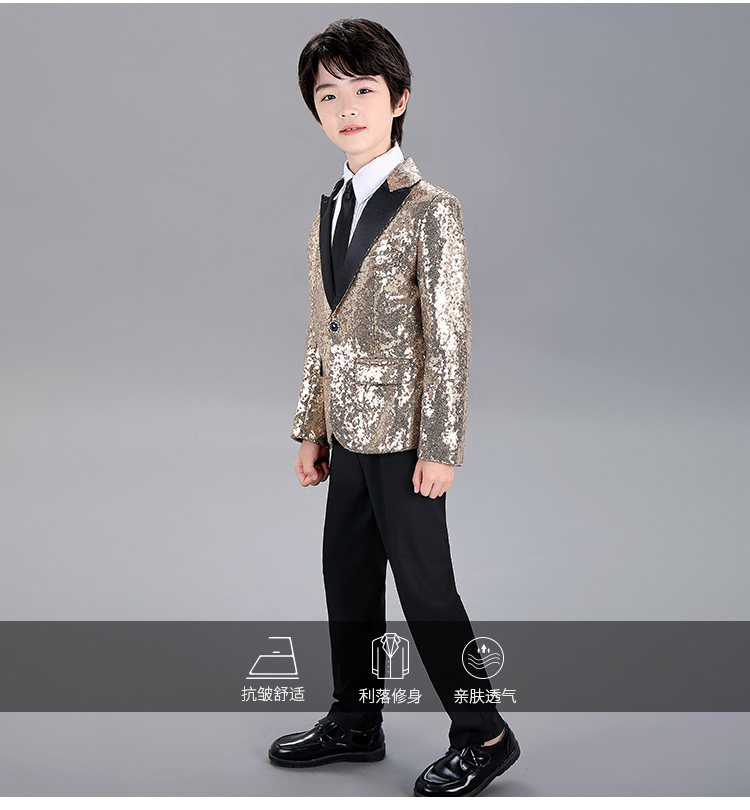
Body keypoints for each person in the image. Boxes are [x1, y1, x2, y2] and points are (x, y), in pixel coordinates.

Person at [267, 18, 521, 797]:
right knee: (345, 574)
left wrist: (441, 445)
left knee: (424, 587)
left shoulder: (430, 209)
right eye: (328, 95)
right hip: (348, 436)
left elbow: (449, 338)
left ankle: (485, 733)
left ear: (399, 98)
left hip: (407, 440)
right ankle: (356, 719)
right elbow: (323, 327)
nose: (346, 108)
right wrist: (312, 427)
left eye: (363, 90)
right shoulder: (328, 209)